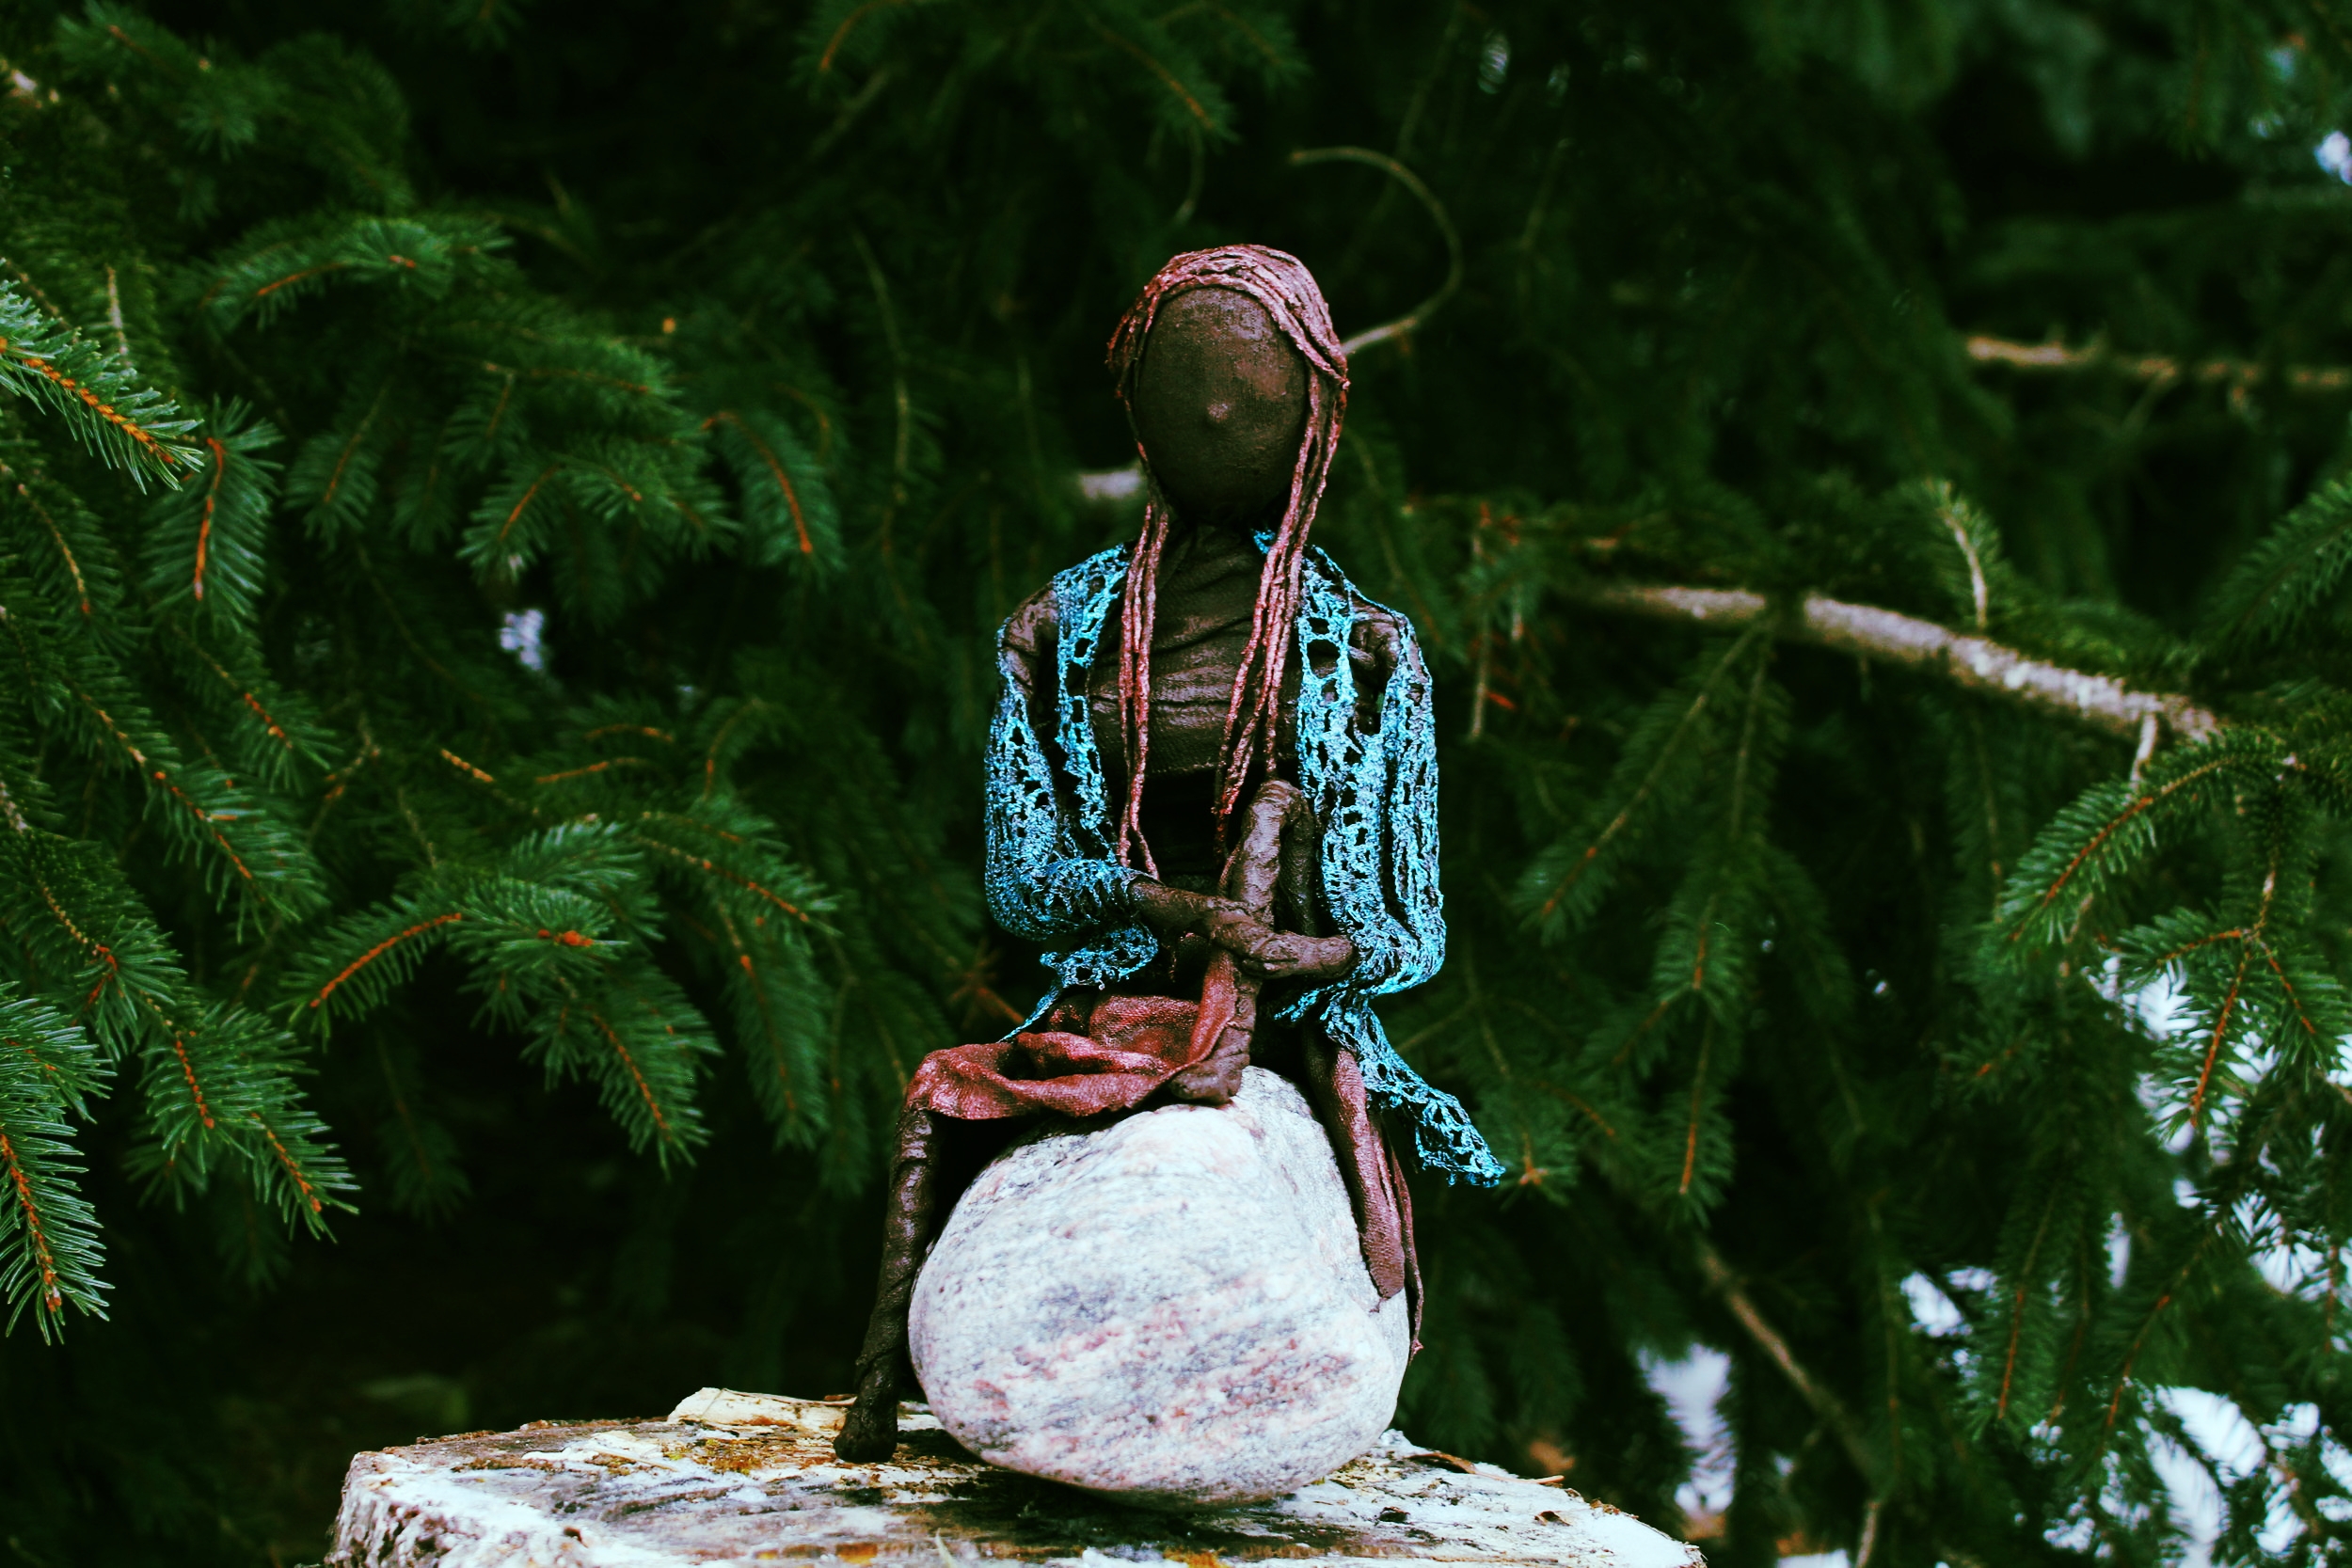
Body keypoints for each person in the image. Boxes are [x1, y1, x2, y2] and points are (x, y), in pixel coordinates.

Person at [834, 245, 1502, 1464]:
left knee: (1296, 1267)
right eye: (1184, 382)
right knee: (958, 1116)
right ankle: (906, 1390)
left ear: (1314, 412)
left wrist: (1283, 943)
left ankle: (1280, 1404)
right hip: (1113, 997)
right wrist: (1165, 905)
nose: (1213, 408)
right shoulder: (1058, 632)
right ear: (1135, 413)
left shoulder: (1361, 654)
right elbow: (1024, 874)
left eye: (1246, 387)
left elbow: (1407, 930)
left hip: (1287, 1031)